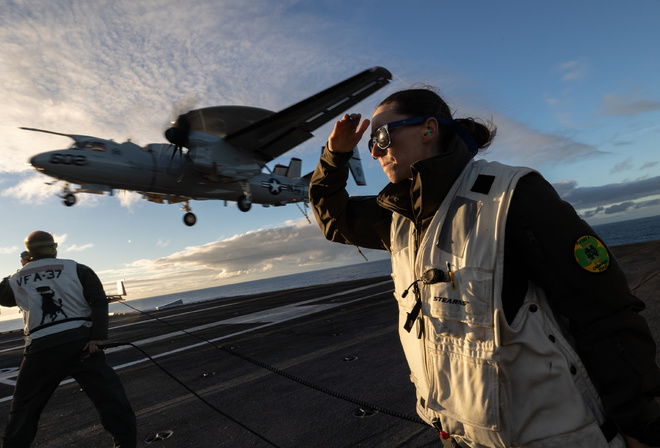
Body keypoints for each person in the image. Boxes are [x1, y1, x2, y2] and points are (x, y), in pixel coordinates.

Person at [309, 87, 660, 448]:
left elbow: (604, 309)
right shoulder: (399, 217)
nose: (375, 151)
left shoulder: (512, 195)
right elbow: (333, 219)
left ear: (429, 129)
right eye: (369, 144)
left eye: (382, 136)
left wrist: (640, 423)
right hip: (460, 438)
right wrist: (336, 156)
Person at [0, 231, 136, 448]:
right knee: (112, 401)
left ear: (29, 253)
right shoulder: (77, 268)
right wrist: (98, 339)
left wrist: (23, 268)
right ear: (54, 248)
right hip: (81, 343)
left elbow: (3, 296)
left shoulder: (17, 278)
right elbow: (99, 301)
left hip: (41, 348)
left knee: (23, 412)